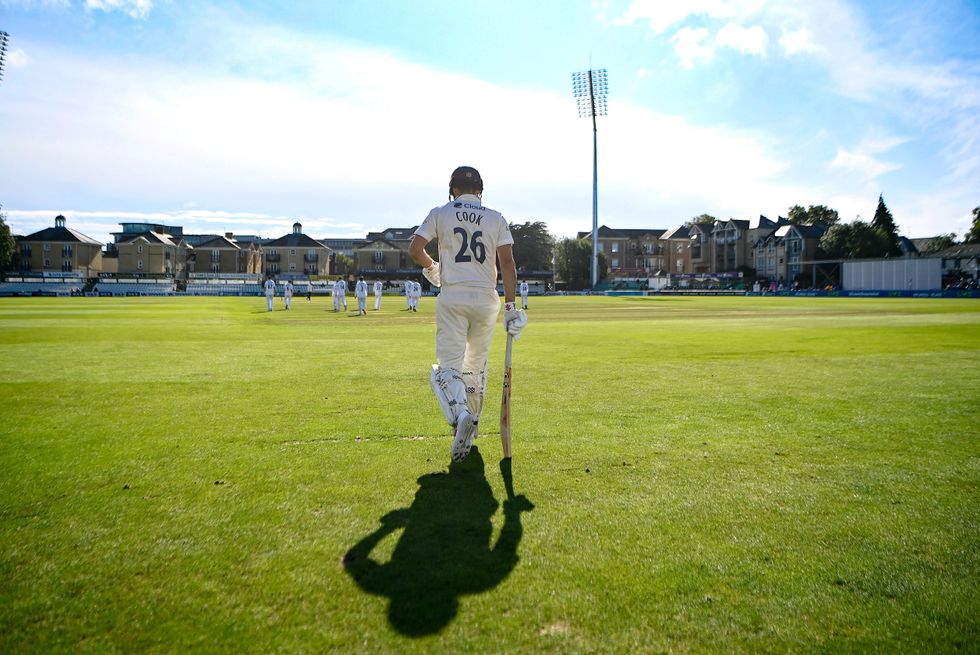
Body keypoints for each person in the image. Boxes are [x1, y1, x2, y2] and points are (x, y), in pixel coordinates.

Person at [409, 165, 527, 463]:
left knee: (447, 369)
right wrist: (511, 307)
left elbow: (415, 249)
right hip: (486, 299)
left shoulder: (441, 212)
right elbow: (508, 264)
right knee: (474, 368)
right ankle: (469, 430)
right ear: (480, 191)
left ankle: (461, 415)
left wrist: (432, 268)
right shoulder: (496, 217)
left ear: (454, 190)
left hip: (454, 295)